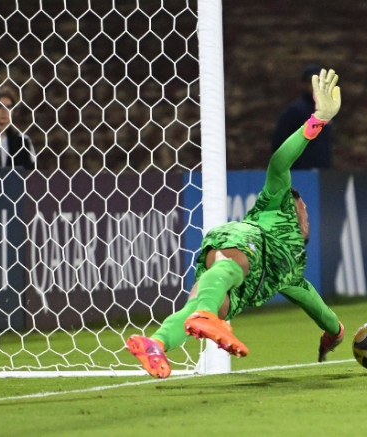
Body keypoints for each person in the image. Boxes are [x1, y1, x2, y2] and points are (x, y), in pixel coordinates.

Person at [127, 68, 344, 378]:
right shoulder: (276, 205)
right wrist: (317, 121)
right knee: (227, 272)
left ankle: (156, 344)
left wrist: (334, 336)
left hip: (238, 290)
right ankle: (206, 315)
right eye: (301, 206)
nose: (304, 210)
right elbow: (280, 162)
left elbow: (324, 316)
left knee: (198, 308)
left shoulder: (294, 277)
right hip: (245, 240)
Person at [271, 63, 333, 169]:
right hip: (301, 171)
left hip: (322, 170)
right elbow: (280, 141)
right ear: (304, 84)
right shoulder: (296, 110)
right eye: (312, 82)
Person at [0, 87, 36, 169]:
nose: (4, 111)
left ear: (13, 111)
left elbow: (33, 171)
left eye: (8, 107)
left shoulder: (23, 142)